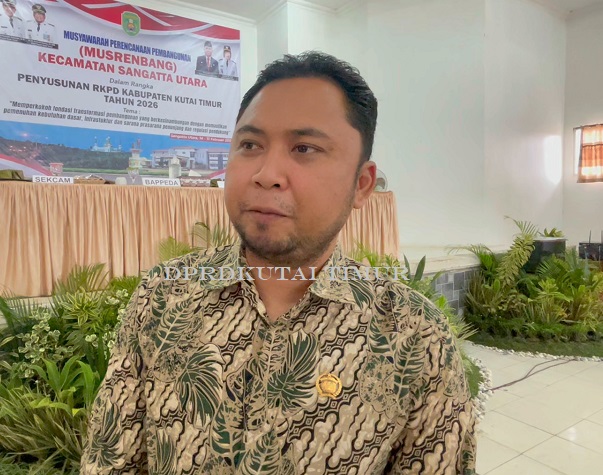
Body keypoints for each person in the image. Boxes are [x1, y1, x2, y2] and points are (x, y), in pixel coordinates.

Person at [81, 51, 476, 474]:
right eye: (250, 145)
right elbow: (111, 459)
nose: (266, 173)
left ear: (362, 185)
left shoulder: (414, 335)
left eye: (304, 148)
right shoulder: (164, 295)